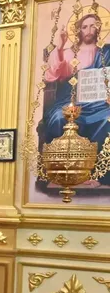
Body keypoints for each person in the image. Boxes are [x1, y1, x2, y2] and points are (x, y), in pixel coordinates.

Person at [41, 13, 110, 185]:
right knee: (58, 117)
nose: (89, 30)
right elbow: (53, 75)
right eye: (85, 26)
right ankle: (63, 172)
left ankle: (96, 173)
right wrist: (60, 46)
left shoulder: (105, 52)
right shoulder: (69, 52)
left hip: (99, 102)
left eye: (93, 26)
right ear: (79, 30)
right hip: (70, 100)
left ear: (99, 28)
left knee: (108, 118)